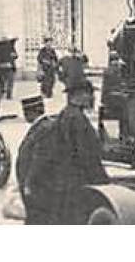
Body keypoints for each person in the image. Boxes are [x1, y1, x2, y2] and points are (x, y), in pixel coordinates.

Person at [25, 73, 108, 224]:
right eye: (90, 94)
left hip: (61, 185)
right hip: (74, 186)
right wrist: (104, 183)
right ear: (79, 95)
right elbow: (87, 157)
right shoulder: (77, 120)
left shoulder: (66, 115)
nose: (93, 98)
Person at [14, 94, 56, 224]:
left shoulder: (44, 128)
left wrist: (29, 182)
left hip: (37, 186)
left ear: (32, 112)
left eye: (26, 112)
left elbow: (39, 158)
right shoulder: (42, 127)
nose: (25, 116)